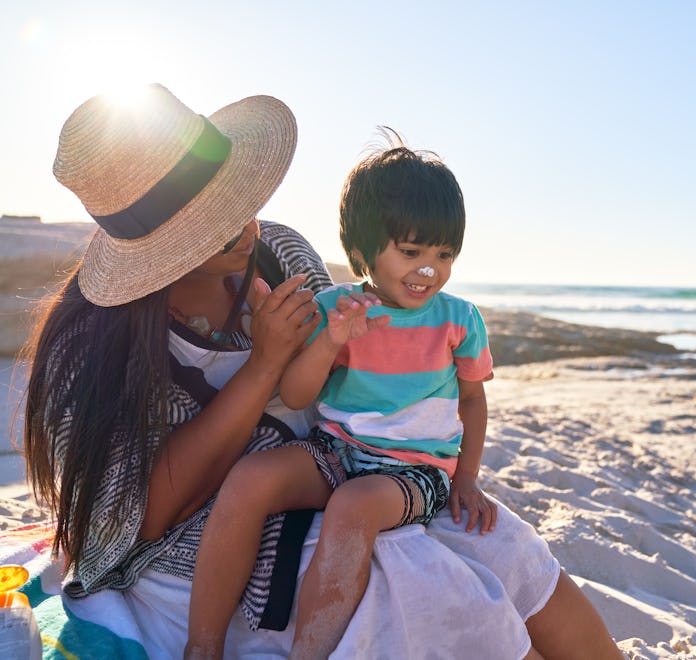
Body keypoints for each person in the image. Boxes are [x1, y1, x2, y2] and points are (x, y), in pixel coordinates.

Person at [21, 83, 622, 658]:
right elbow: (143, 517)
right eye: (211, 221)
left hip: (339, 467)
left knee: (504, 544)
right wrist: (264, 366)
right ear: (153, 243)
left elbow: (352, 377)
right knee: (426, 588)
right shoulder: (94, 345)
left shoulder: (279, 253)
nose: (246, 225)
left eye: (238, 199)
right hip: (202, 546)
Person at [187, 134, 502, 658]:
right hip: (335, 450)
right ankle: (202, 645)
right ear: (360, 252)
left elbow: (472, 401)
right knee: (248, 479)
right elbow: (295, 391)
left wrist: (466, 477)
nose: (430, 269)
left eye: (444, 254)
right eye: (411, 251)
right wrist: (331, 340)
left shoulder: (459, 320)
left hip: (416, 470)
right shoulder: (337, 308)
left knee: (354, 508)